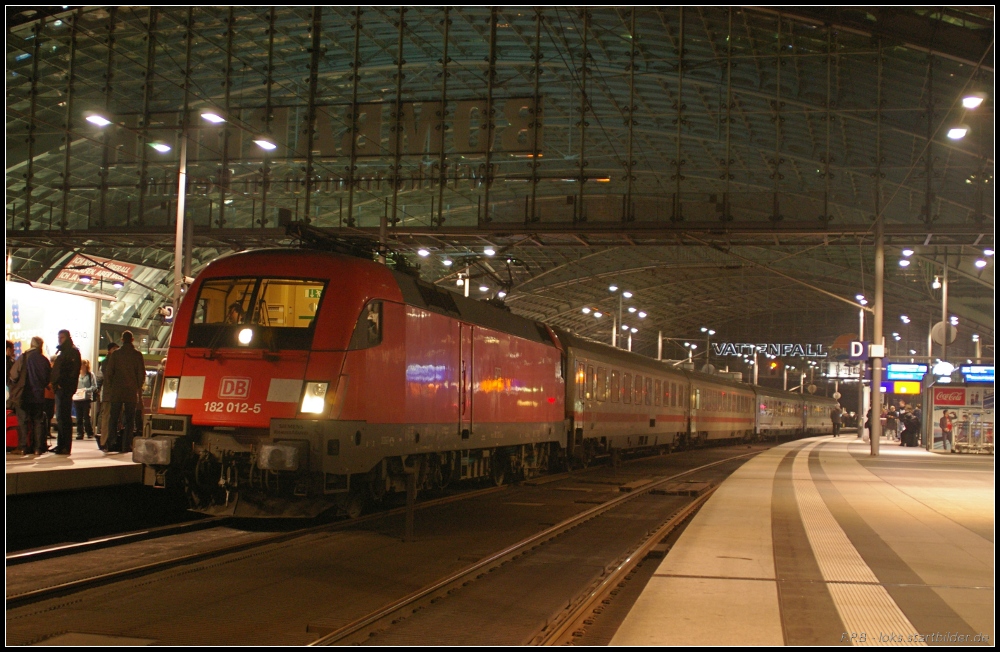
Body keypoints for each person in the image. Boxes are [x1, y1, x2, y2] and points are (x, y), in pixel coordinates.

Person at [103, 331, 145, 454]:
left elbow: (109, 373)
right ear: (132, 339)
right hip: (131, 392)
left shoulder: (116, 355)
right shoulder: (137, 355)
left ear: (122, 339)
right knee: (130, 420)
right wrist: (137, 387)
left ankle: (112, 443)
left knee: (114, 418)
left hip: (116, 392)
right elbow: (141, 374)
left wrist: (112, 388)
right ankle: (126, 445)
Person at [8, 336, 51, 456]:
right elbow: (48, 378)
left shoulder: (24, 357)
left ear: (32, 345)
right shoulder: (44, 360)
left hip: (24, 395)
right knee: (38, 421)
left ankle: (23, 447)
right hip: (39, 396)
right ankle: (37, 448)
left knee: (23, 421)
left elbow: (13, 375)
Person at [50, 329, 82, 455]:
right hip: (61, 388)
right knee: (60, 417)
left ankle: (64, 446)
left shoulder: (72, 352)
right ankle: (61, 444)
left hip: (64, 389)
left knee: (64, 417)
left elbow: (72, 372)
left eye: (62, 337)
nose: (59, 340)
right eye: (59, 337)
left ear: (67, 337)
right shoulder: (64, 351)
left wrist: (62, 384)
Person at [96, 342, 119, 449]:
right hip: (109, 394)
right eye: (114, 349)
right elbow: (102, 378)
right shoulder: (106, 362)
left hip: (114, 394)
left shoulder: (112, 361)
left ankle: (109, 440)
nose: (116, 350)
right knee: (107, 418)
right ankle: (105, 441)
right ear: (109, 350)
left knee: (113, 418)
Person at [73, 359, 97, 441]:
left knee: (86, 416)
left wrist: (86, 389)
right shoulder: (76, 375)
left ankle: (89, 431)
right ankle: (80, 433)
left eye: (83, 365)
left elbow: (94, 386)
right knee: (78, 416)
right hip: (77, 398)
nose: (82, 367)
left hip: (86, 398)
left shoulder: (90, 375)